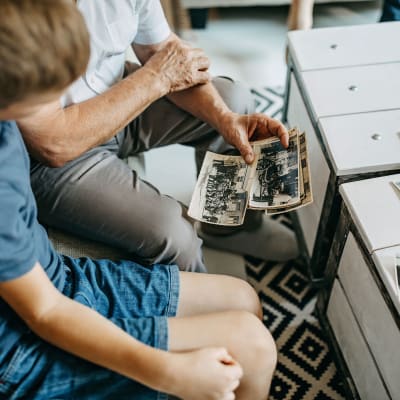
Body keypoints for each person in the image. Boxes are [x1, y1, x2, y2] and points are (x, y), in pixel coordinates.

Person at [0, 1, 278, 399]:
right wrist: (168, 370)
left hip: (57, 278)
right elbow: (45, 312)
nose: (68, 89)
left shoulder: (9, 124)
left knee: (244, 301)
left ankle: (230, 232)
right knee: (180, 242)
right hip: (27, 337)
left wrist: (222, 116)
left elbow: (164, 54)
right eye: (54, 90)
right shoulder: (10, 169)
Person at [18, 0, 298, 273]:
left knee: (235, 101)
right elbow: (53, 144)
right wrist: (157, 77)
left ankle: (227, 230)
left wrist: (226, 119)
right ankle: (193, 306)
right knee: (176, 234)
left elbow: (159, 49)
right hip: (54, 154)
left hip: (118, 93)